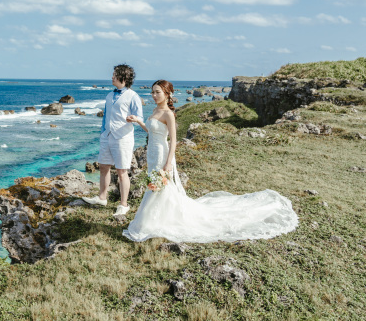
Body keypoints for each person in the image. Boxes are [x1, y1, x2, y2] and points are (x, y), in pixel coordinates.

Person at [123, 80, 298, 243]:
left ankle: (155, 222)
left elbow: (173, 141)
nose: (154, 95)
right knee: (155, 186)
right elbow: (152, 132)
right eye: (153, 92)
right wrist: (139, 121)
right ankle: (155, 220)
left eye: (158, 92)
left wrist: (168, 163)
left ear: (167, 94)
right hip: (152, 153)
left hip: (162, 154)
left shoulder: (169, 114)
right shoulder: (154, 111)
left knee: (162, 187)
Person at [82, 64, 145, 217]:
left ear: (122, 77)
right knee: (103, 167)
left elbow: (140, 117)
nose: (112, 77)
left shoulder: (133, 96)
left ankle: (124, 205)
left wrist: (134, 118)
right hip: (107, 136)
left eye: (114, 75)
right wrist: (103, 132)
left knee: (122, 171)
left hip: (123, 138)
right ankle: (102, 198)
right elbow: (106, 116)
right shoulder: (109, 95)